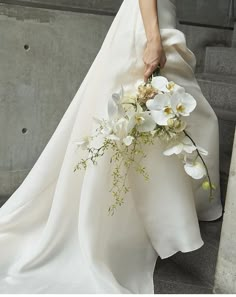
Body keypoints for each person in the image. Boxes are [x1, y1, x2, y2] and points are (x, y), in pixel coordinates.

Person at [0, 0, 223, 294]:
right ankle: (119, 224)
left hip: (159, 18)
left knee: (153, 121)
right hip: (147, 22)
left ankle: (153, 218)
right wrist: (153, 39)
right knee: (139, 117)